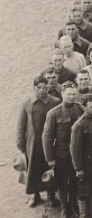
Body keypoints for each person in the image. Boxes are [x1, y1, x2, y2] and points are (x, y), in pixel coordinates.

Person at [42, 79, 83, 218]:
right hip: (61, 155)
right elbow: (47, 137)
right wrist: (50, 158)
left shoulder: (79, 109)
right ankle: (64, 208)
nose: (71, 97)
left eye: (74, 94)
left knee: (74, 181)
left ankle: (72, 205)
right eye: (69, 94)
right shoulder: (54, 113)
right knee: (61, 182)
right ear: (62, 94)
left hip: (76, 155)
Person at [17, 77, 61, 209]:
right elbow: (21, 125)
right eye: (39, 87)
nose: (42, 90)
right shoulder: (27, 103)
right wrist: (20, 141)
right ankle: (34, 194)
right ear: (34, 88)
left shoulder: (54, 102)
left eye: (44, 87)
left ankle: (51, 195)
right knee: (33, 169)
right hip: (33, 144)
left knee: (49, 168)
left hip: (48, 143)